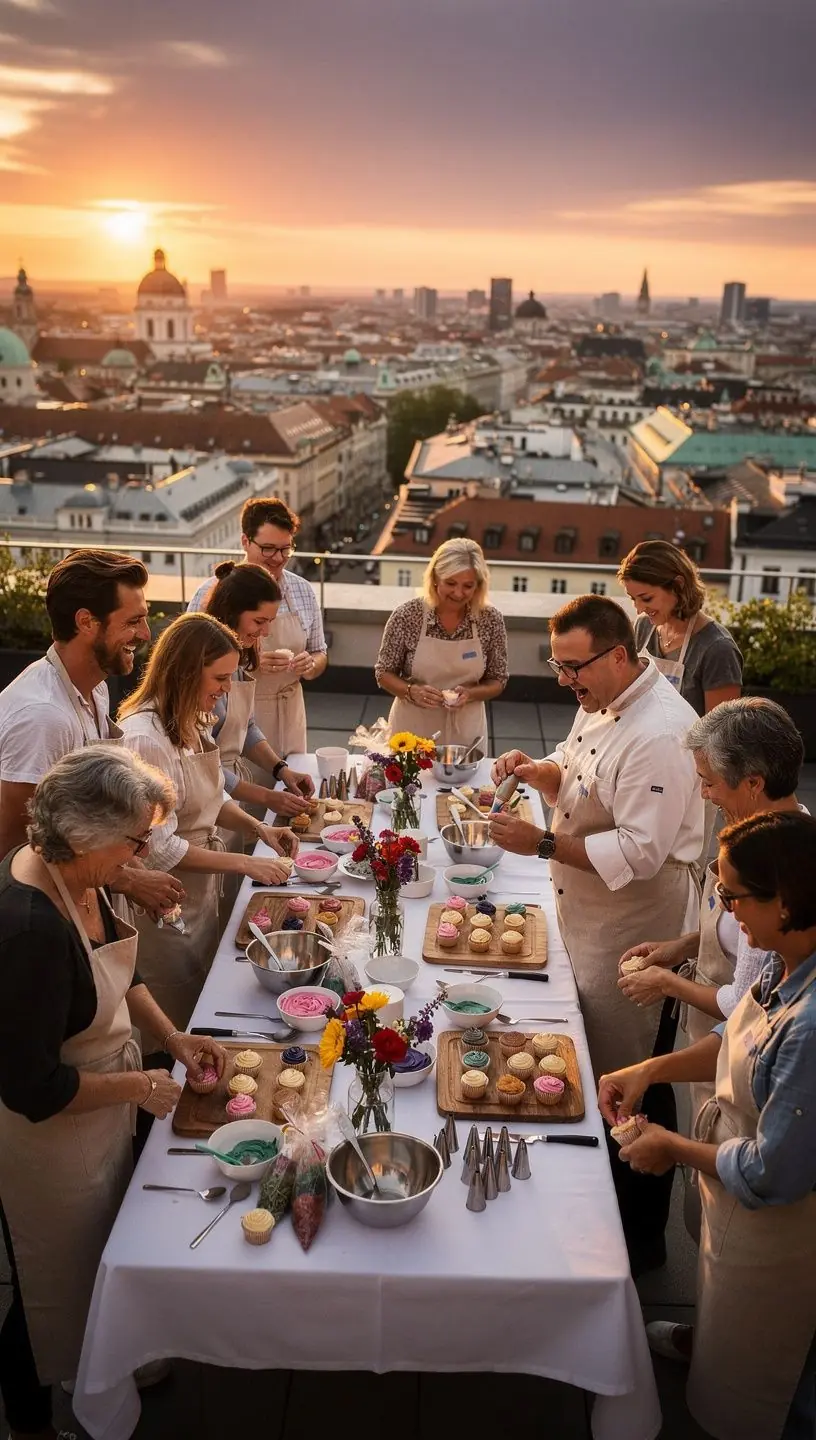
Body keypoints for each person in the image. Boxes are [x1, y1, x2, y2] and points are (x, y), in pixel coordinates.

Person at [0, 746, 228, 1437]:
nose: (145, 853)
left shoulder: (82, 873)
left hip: (97, 1111)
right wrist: (140, 1084)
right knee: (46, 1293)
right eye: (137, 839)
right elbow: (33, 1089)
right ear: (83, 831)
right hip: (49, 1141)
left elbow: (119, 975)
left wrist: (176, 1039)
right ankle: (30, 1419)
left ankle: (103, 1360)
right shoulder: (30, 930)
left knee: (100, 1252)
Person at [489, 594, 703, 1273]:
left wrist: (542, 843)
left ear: (618, 655)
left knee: (633, 1070)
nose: (563, 680)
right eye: (556, 665)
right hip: (585, 912)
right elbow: (575, 771)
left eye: (573, 666)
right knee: (587, 1056)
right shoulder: (601, 696)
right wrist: (537, 770)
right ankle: (592, 1203)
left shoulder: (662, 732)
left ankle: (638, 1240)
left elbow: (640, 851)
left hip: (635, 921)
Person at [599, 811, 816, 1440]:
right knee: (725, 1325)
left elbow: (773, 1172)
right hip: (740, 1201)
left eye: (732, 896)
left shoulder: (810, 1030)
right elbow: (736, 1034)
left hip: (784, 1230)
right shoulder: (784, 956)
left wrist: (673, 1147)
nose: (724, 914)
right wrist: (651, 1068)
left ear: (786, 900)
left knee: (768, 1381)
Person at [617, 698, 806, 1127]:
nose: (703, 794)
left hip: (740, 1064)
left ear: (753, 783)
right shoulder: (771, 833)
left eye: (710, 782)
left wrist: (666, 983)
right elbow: (733, 936)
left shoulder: (771, 874)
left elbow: (743, 1003)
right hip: (714, 1048)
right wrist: (682, 947)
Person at [119, 613, 297, 1041]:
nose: (226, 690)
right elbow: (160, 849)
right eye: (219, 678)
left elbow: (215, 798)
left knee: (203, 990)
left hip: (200, 891)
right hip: (168, 898)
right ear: (184, 672)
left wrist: (260, 829)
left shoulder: (192, 720)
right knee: (172, 1009)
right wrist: (243, 864)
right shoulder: (143, 738)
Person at [0, 548, 183, 922]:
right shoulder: (43, 717)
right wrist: (128, 881)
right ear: (87, 622)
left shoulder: (95, 687)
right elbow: (16, 848)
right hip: (45, 917)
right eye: (133, 622)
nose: (146, 634)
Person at [187, 496, 327, 755]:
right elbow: (190, 662)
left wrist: (311, 665)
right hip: (232, 716)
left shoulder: (302, 590)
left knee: (291, 785)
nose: (278, 558)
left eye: (286, 549)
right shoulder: (210, 593)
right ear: (244, 541)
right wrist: (250, 660)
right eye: (268, 549)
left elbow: (320, 652)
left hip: (290, 712)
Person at [204, 561, 314, 817]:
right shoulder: (198, 664)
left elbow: (247, 727)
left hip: (227, 802)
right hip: (202, 805)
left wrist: (281, 770)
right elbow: (203, 764)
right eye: (259, 621)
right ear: (231, 612)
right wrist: (268, 797)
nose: (265, 632)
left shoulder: (237, 657)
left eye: (270, 622)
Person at [375, 537, 508, 747]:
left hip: (466, 735)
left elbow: (498, 679)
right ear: (435, 577)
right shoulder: (407, 616)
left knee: (467, 781)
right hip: (412, 731)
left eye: (468, 586)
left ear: (479, 585)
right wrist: (411, 691)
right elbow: (383, 673)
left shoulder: (490, 620)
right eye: (451, 583)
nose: (458, 593)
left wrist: (470, 694)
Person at [617, 539, 742, 714]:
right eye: (633, 599)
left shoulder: (718, 650)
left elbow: (720, 734)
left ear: (678, 585)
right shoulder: (643, 627)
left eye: (646, 599)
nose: (639, 610)